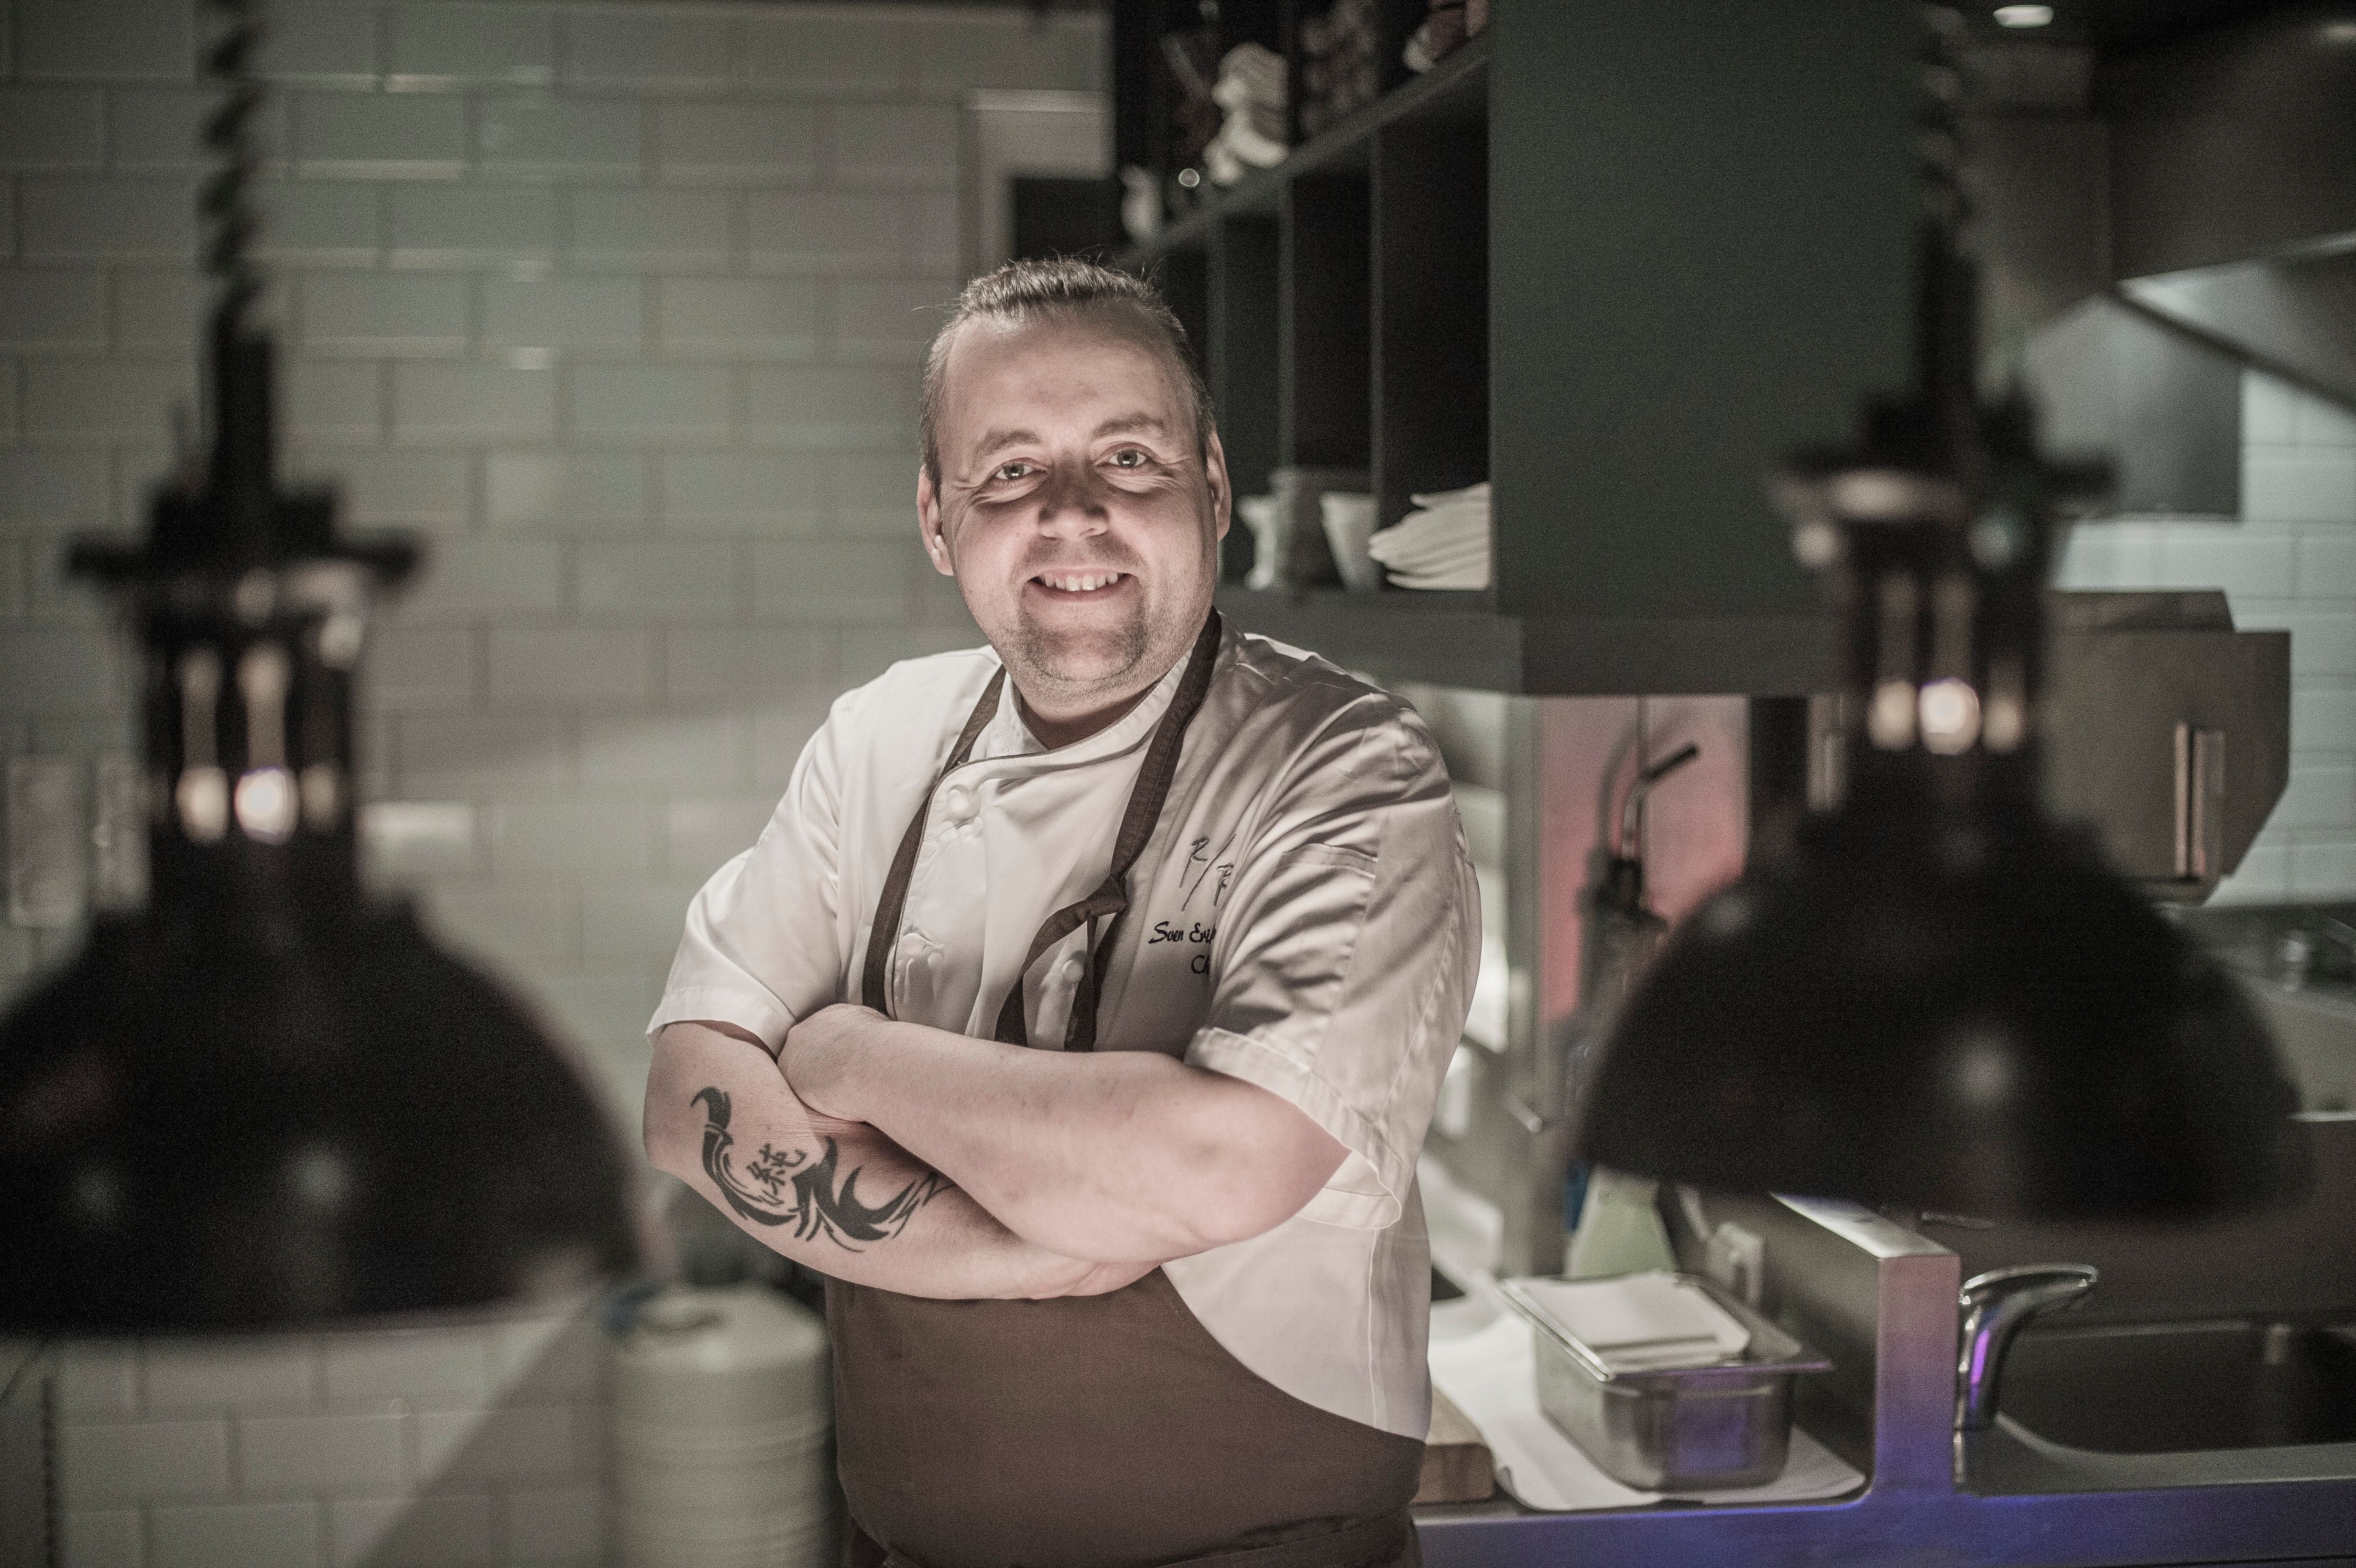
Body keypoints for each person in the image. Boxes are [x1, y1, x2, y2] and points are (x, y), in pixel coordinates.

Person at [642, 257, 1479, 1568]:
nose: (1074, 517)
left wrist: (848, 1053)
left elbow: (1228, 1162)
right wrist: (1013, 1250)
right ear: (937, 517)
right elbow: (690, 1099)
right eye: (1010, 472)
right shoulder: (877, 742)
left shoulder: (1345, 770)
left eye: (1130, 460)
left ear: (1211, 482)